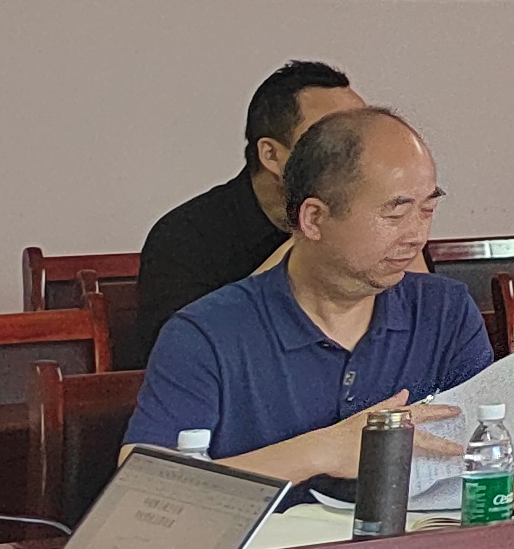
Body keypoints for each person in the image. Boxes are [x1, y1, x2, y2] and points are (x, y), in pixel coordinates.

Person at [127, 106, 514, 502]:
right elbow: (144, 490)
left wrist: (513, 472)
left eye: (426, 211)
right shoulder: (207, 332)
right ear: (314, 219)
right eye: (395, 214)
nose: (416, 236)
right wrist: (323, 451)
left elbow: (476, 447)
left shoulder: (443, 311)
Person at [127, 59, 367, 368]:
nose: (357, 159)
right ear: (271, 154)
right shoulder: (183, 236)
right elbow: (182, 358)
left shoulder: (371, 224)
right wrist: (306, 241)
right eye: (331, 141)